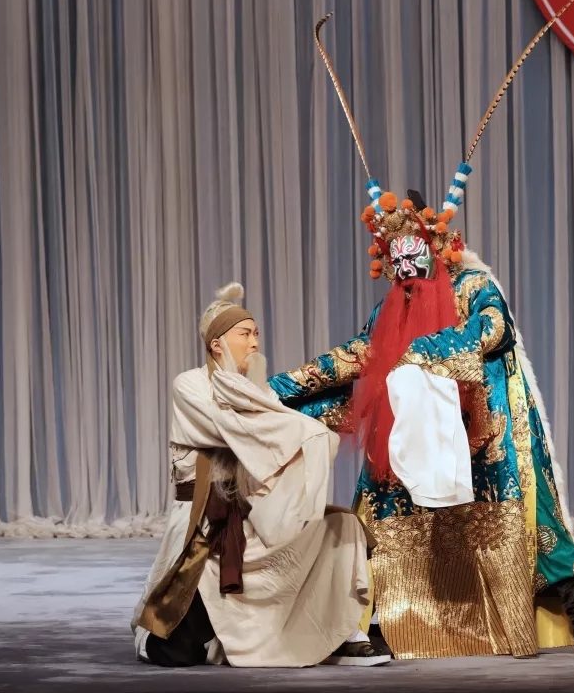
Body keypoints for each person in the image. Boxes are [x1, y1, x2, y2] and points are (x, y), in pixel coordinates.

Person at [266, 0, 574, 663]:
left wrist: (428, 351)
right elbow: (359, 354)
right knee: (378, 510)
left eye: (414, 251)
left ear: (436, 245)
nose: (406, 265)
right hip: (409, 426)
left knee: (536, 515)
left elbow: (492, 331)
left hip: (485, 422)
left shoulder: (473, 286)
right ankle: (379, 625)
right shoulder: (392, 306)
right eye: (395, 256)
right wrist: (281, 387)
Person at [131, 283, 389, 667]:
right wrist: (308, 432)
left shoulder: (259, 391)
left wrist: (307, 436)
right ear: (217, 344)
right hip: (204, 523)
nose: (254, 342)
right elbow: (240, 430)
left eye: (256, 334)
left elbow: (274, 433)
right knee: (174, 651)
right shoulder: (190, 385)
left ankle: (341, 632)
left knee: (342, 528)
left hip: (256, 513)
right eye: (245, 334)